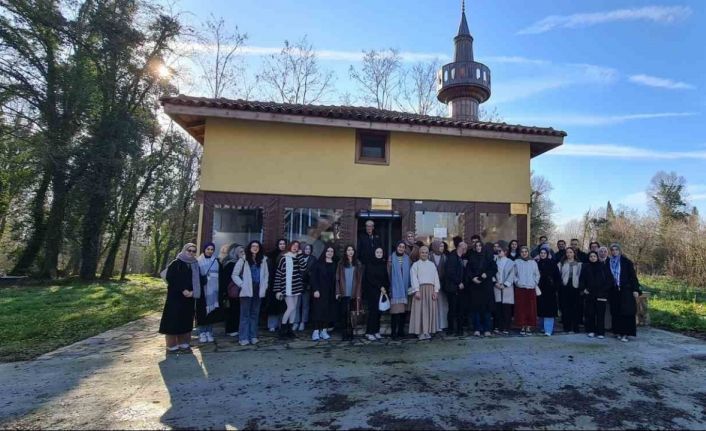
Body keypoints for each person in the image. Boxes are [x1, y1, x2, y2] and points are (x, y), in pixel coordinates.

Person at [159, 243, 199, 353]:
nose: (191, 253)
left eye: (193, 251)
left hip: (189, 298)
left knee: (186, 320)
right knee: (173, 320)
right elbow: (171, 278)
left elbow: (199, 280)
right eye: (189, 250)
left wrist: (193, 291)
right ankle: (171, 346)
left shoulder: (195, 264)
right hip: (175, 298)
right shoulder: (176, 263)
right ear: (184, 250)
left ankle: (184, 344)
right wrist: (183, 290)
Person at [232, 241, 269, 346]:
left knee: (255, 314)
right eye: (253, 246)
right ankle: (243, 337)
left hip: (258, 289)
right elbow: (234, 275)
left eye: (257, 246)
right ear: (249, 248)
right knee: (245, 315)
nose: (255, 248)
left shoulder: (263, 260)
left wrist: (265, 286)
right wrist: (242, 284)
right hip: (247, 289)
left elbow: (266, 276)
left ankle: (253, 336)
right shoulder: (243, 259)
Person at [609, 244, 642, 342]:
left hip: (626, 290)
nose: (614, 251)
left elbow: (633, 277)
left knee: (626, 312)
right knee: (616, 312)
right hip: (614, 291)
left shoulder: (626, 262)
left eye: (616, 250)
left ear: (619, 251)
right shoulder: (609, 262)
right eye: (612, 250)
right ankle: (618, 332)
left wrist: (636, 289)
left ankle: (626, 334)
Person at [408, 246, 441, 340]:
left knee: (429, 311)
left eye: (426, 252)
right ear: (419, 253)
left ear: (428, 254)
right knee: (420, 311)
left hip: (430, 290)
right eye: (422, 252)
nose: (424, 254)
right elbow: (413, 278)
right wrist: (416, 290)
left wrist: (436, 291)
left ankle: (427, 331)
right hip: (420, 290)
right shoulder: (415, 265)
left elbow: (436, 278)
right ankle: (420, 332)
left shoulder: (432, 265)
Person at [274, 241, 305, 339]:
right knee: (290, 307)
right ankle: (282, 330)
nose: (295, 247)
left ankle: (290, 330)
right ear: (290, 246)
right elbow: (279, 274)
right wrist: (278, 290)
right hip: (286, 287)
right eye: (294, 245)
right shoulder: (284, 258)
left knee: (294, 308)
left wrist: (300, 256)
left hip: (296, 286)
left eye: (297, 246)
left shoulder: (298, 258)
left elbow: (303, 268)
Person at [466, 241, 497, 337]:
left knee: (486, 308)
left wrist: (486, 274)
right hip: (475, 286)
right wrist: (472, 278)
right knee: (476, 308)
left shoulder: (489, 257)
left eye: (480, 245)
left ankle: (487, 329)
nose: (478, 247)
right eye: (477, 246)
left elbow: (494, 269)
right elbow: (468, 270)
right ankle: (477, 329)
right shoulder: (472, 257)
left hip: (486, 286)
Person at [580, 251, 612, 339]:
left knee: (600, 314)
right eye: (591, 256)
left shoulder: (603, 267)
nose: (593, 258)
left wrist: (604, 291)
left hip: (601, 294)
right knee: (590, 313)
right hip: (589, 294)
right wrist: (583, 289)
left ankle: (600, 332)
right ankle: (591, 330)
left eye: (594, 256)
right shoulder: (585, 267)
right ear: (588, 257)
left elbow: (609, 280)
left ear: (597, 257)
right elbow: (582, 279)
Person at [310, 246, 337, 341]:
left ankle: (324, 331)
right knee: (318, 311)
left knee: (327, 312)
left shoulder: (334, 264)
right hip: (319, 291)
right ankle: (316, 331)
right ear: (325, 252)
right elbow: (313, 278)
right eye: (328, 251)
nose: (330, 252)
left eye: (332, 251)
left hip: (330, 292)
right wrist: (315, 290)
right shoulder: (318, 263)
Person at [336, 245, 363, 341]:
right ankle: (344, 333)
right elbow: (337, 279)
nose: (350, 251)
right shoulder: (341, 263)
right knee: (344, 314)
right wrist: (338, 292)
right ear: (346, 252)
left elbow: (359, 280)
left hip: (353, 293)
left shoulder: (358, 263)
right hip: (343, 292)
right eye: (348, 250)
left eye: (352, 250)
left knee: (352, 314)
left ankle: (350, 333)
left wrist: (358, 294)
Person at [196, 242, 221, 343]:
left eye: (212, 249)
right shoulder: (198, 261)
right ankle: (202, 332)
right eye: (208, 249)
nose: (210, 251)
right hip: (202, 290)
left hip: (213, 290)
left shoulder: (216, 261)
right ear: (204, 249)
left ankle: (209, 332)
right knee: (202, 311)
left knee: (211, 312)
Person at [363, 247, 389, 341]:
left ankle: (376, 331)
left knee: (379, 312)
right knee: (372, 313)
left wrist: (385, 287)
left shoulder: (383, 264)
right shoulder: (370, 264)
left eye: (381, 252)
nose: (379, 254)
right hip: (372, 291)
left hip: (381, 292)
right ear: (374, 253)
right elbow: (370, 278)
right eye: (377, 252)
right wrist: (380, 287)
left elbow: (386, 277)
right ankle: (369, 332)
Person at [514, 246, 540, 335]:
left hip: (530, 288)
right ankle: (522, 326)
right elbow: (513, 274)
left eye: (526, 251)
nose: (524, 253)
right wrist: (517, 282)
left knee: (531, 308)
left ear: (528, 252)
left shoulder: (533, 262)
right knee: (521, 308)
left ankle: (529, 326)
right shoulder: (517, 262)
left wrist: (534, 282)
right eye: (522, 252)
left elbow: (537, 274)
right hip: (520, 288)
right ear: (520, 253)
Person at [388, 240, 411, 339]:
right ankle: (393, 332)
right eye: (399, 246)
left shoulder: (407, 259)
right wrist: (390, 286)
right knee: (395, 313)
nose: (401, 248)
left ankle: (401, 331)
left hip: (405, 288)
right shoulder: (391, 258)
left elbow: (410, 273)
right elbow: (388, 273)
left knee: (403, 312)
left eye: (403, 247)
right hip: (395, 288)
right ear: (396, 247)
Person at [444, 241, 467, 335]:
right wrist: (459, 283)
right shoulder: (452, 257)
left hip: (460, 288)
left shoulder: (461, 258)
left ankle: (460, 329)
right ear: (460, 247)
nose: (466, 250)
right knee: (452, 309)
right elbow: (450, 272)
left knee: (460, 310)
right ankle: (451, 329)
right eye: (465, 248)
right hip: (452, 288)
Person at [220, 244, 243, 337]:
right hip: (232, 291)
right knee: (232, 310)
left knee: (238, 310)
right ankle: (231, 329)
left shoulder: (242, 262)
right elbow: (225, 279)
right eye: (241, 251)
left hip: (240, 290)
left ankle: (236, 328)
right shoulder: (230, 264)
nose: (243, 253)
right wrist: (225, 291)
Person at [536, 248, 560, 336]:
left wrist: (555, 287)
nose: (542, 254)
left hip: (550, 290)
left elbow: (557, 277)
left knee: (549, 310)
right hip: (539, 289)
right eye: (541, 253)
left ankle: (548, 330)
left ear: (547, 254)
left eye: (544, 253)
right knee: (541, 309)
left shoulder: (552, 263)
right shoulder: (537, 263)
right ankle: (542, 328)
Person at [265, 238, 287, 332]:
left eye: (284, 244)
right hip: (273, 282)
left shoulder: (288, 255)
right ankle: (272, 325)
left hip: (284, 283)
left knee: (283, 305)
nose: (282, 245)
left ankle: (281, 324)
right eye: (280, 243)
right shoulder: (272, 256)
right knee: (273, 305)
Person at [559, 247, 583, 333]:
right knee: (566, 308)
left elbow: (581, 276)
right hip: (565, 287)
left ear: (574, 254)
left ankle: (575, 327)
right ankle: (567, 327)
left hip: (575, 287)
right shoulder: (561, 264)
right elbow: (559, 275)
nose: (569, 254)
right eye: (567, 252)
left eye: (571, 252)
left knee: (575, 308)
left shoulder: (579, 264)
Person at [293, 243, 316, 331]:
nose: (307, 250)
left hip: (307, 285)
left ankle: (303, 322)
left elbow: (313, 273)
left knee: (305, 304)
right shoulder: (298, 257)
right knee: (296, 305)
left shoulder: (313, 259)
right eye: (306, 249)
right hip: (297, 283)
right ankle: (296, 322)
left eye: (309, 249)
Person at [493, 247, 515, 334]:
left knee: (506, 308)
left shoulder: (510, 262)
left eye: (500, 251)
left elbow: (512, 274)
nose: (498, 252)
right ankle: (497, 326)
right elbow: (491, 272)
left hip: (507, 287)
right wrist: (495, 283)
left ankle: (506, 327)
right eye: (497, 251)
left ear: (505, 252)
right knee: (497, 307)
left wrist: (505, 284)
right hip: (497, 286)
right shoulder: (495, 261)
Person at [430, 240, 448, 333]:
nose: (442, 248)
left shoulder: (444, 257)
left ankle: (441, 324)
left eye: (442, 246)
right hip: (431, 285)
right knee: (433, 305)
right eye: (440, 246)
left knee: (442, 305)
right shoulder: (429, 256)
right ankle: (433, 324)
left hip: (442, 285)